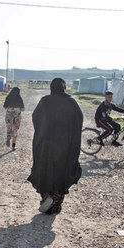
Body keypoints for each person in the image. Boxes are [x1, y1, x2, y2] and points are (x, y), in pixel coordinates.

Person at [27, 78, 83, 214]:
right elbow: (79, 119)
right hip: (64, 145)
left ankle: (46, 198)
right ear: (64, 87)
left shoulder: (45, 101)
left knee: (45, 171)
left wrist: (43, 131)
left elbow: (35, 117)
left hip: (45, 144)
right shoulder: (71, 102)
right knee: (61, 171)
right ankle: (56, 201)